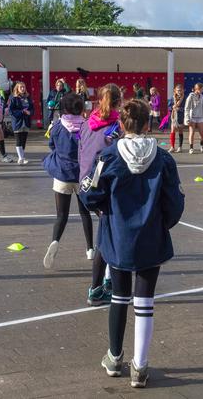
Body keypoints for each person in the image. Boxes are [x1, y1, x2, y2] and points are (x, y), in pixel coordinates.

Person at [84, 99, 184, 388]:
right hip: (151, 235)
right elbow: (175, 202)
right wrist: (163, 223)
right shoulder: (164, 158)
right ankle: (140, 366)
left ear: (122, 125)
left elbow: (89, 192)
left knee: (119, 296)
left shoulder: (108, 156)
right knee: (145, 301)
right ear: (148, 124)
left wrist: (103, 210)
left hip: (117, 235)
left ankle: (115, 358)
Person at [78, 83, 124, 307]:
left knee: (108, 234)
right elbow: (118, 157)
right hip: (103, 185)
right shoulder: (115, 126)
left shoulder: (88, 123)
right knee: (107, 238)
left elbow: (82, 152)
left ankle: (106, 282)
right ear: (118, 102)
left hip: (86, 183)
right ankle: (97, 288)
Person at [42, 93, 96, 272]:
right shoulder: (86, 126)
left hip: (62, 174)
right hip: (82, 175)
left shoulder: (57, 126)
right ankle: (90, 249)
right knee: (85, 214)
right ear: (81, 108)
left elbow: (52, 145)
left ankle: (55, 241)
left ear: (63, 108)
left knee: (61, 215)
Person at [8, 81, 33, 164]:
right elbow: (11, 111)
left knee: (24, 140)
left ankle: (22, 157)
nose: (22, 89)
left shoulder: (28, 97)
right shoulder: (13, 98)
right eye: (21, 87)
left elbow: (32, 108)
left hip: (26, 121)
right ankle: (21, 158)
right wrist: (22, 112)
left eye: (24, 87)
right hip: (18, 121)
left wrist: (30, 112)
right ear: (17, 89)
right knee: (18, 140)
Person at [184, 82, 203, 154]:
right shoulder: (191, 96)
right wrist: (187, 118)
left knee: (202, 134)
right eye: (202, 89)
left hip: (200, 117)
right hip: (192, 117)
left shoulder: (202, 96)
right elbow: (187, 108)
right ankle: (191, 148)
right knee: (192, 133)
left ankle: (201, 144)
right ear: (197, 89)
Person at [167, 84, 185, 152]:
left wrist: (179, 109)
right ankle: (172, 147)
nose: (179, 92)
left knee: (180, 131)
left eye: (180, 90)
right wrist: (172, 107)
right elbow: (169, 107)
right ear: (175, 91)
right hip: (174, 116)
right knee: (172, 131)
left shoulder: (185, 98)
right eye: (178, 90)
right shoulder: (172, 98)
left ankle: (180, 147)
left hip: (181, 117)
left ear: (183, 90)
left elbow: (187, 108)